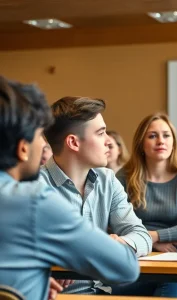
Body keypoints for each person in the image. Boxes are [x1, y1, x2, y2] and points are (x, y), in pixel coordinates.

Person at [0, 77, 140, 300]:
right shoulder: (34, 199)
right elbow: (126, 267)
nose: (44, 145)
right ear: (22, 148)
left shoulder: (106, 180)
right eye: (39, 136)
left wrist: (33, 279)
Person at [39, 96, 152, 295]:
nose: (109, 141)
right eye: (100, 133)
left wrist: (116, 244)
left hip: (105, 290)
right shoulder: (34, 187)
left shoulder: (107, 179)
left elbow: (142, 235)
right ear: (73, 142)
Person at [113, 112, 177, 298]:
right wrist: (151, 243)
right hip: (134, 255)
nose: (160, 141)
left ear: (173, 142)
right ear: (141, 143)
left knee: (173, 283)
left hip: (175, 257)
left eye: (166, 135)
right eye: (152, 135)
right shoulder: (124, 176)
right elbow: (113, 224)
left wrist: (152, 236)